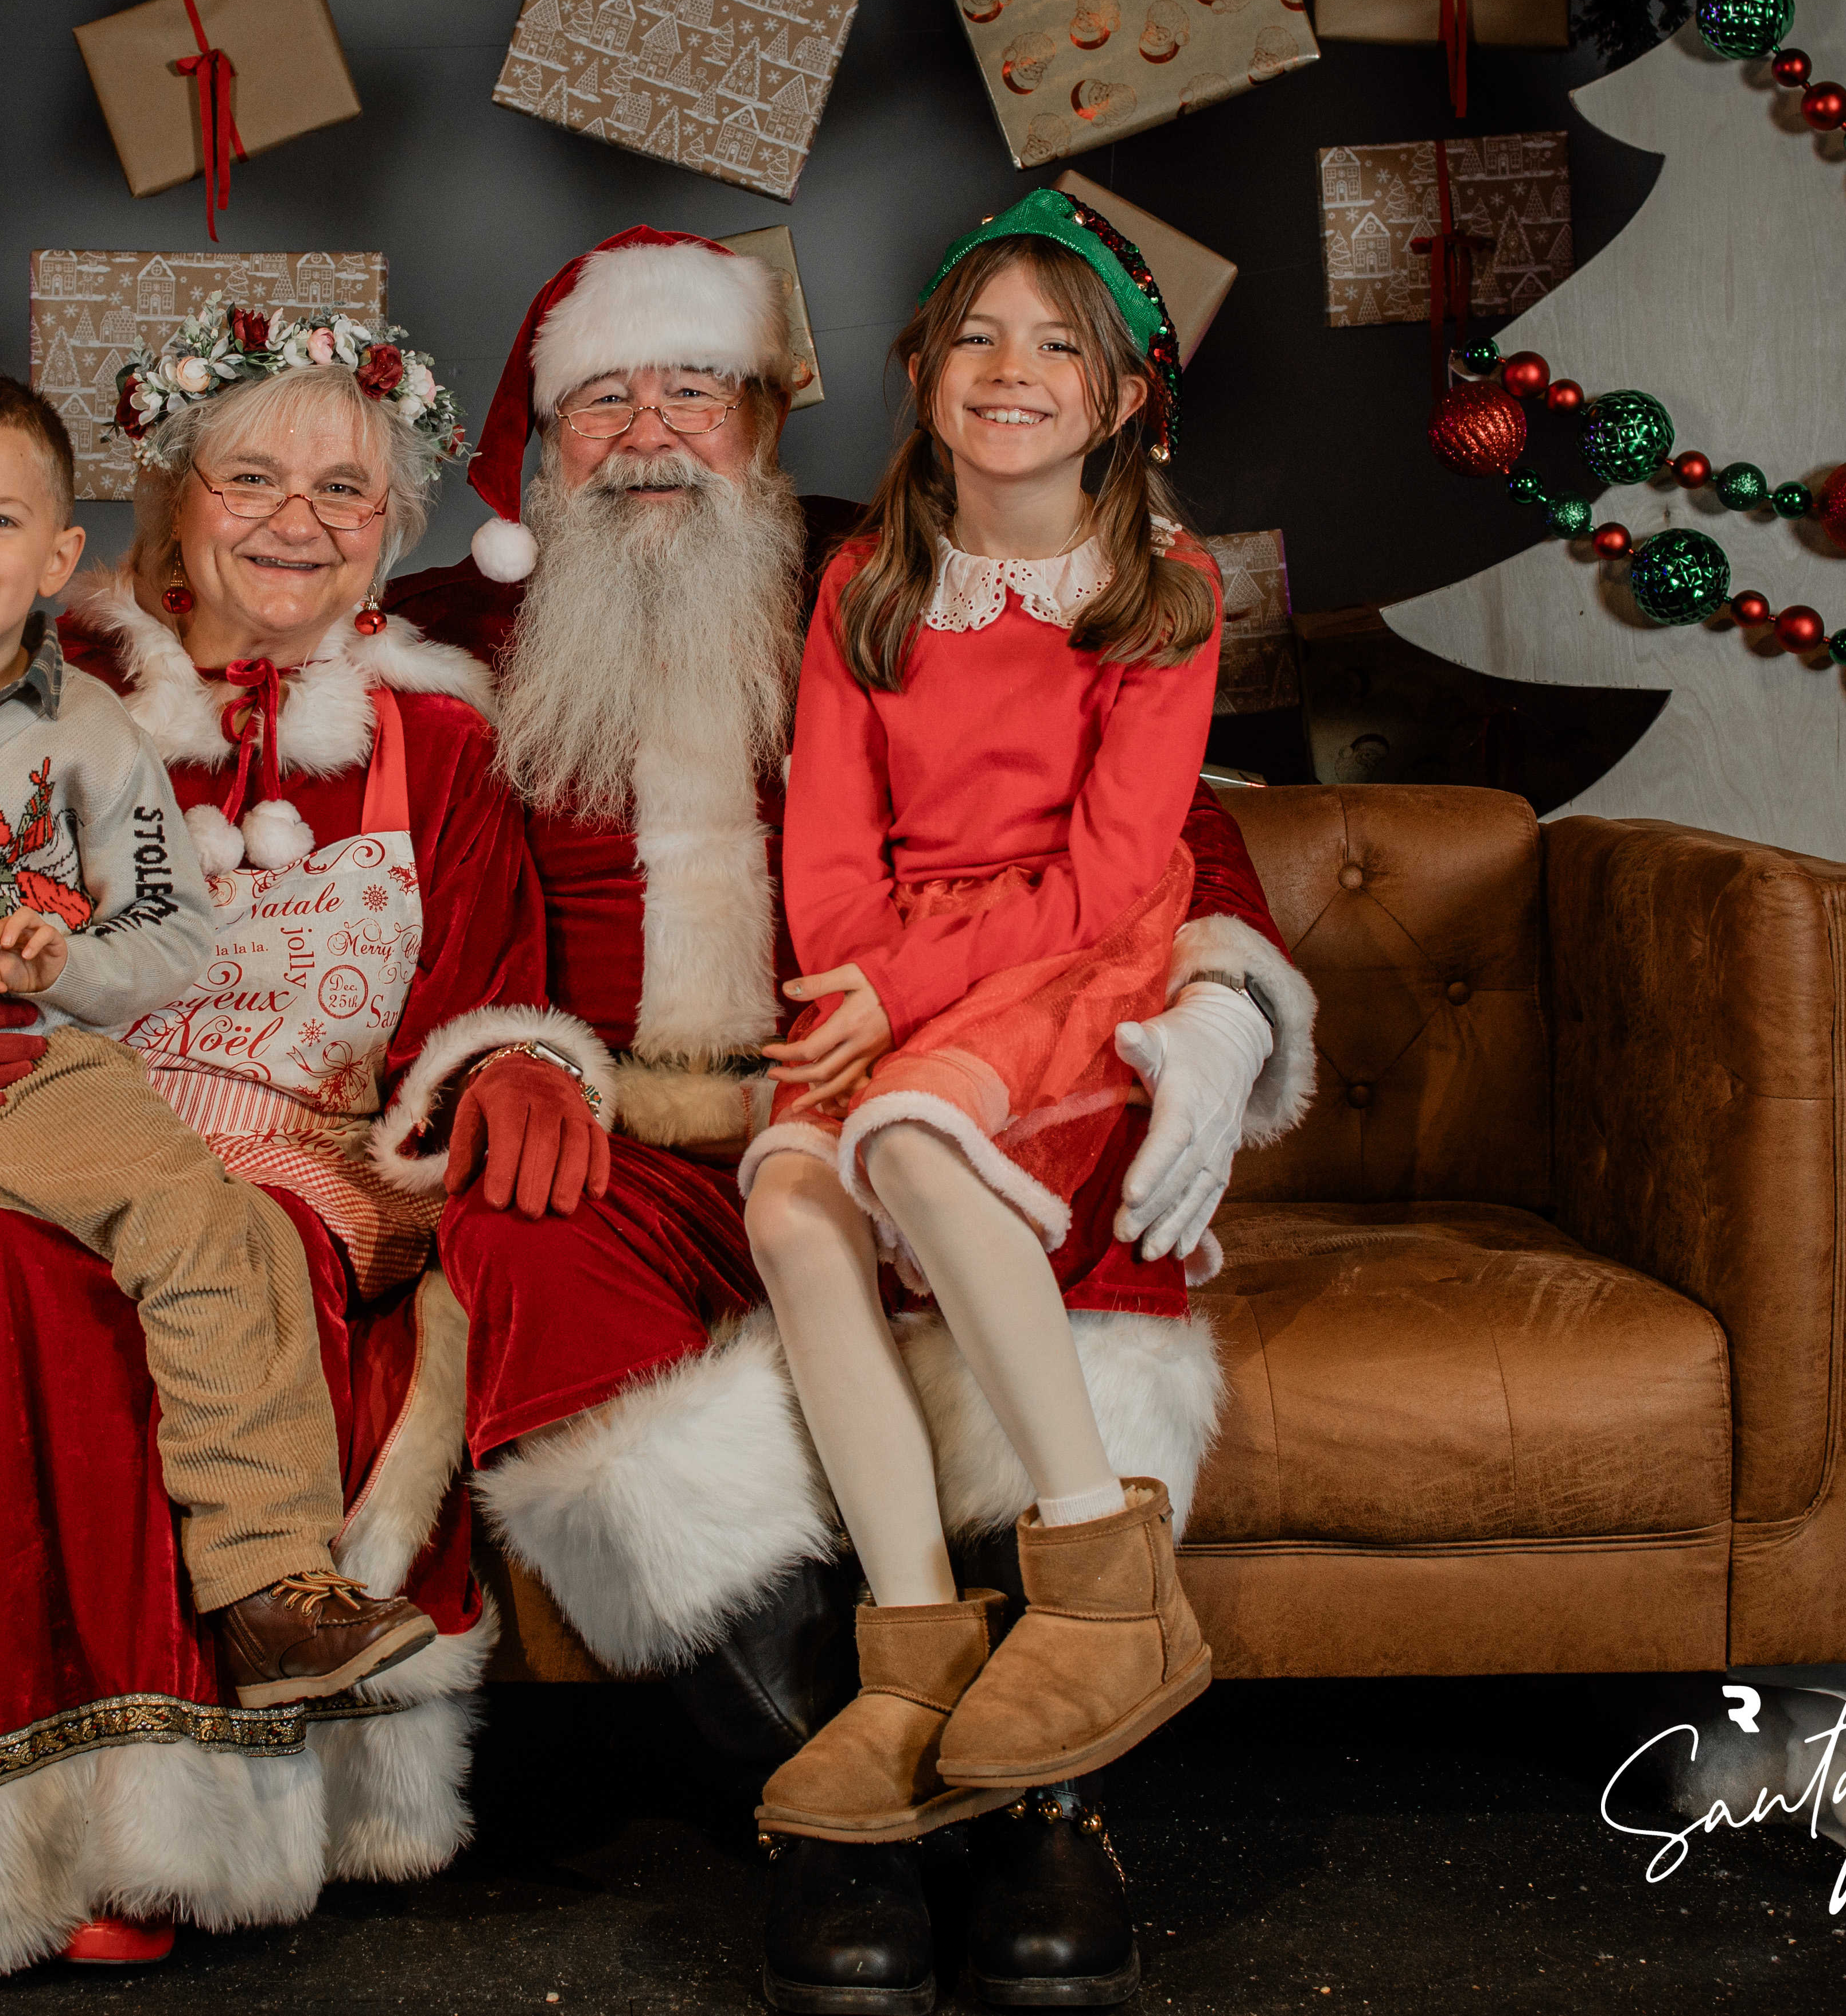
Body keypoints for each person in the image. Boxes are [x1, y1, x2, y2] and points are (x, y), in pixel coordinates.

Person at [386, 220, 1318, 2009]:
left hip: (921, 1065)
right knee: (531, 1255)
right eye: (602, 401)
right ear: (538, 439)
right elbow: (375, 843)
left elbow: (1147, 817)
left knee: (1014, 1236)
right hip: (634, 1138)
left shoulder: (886, 567)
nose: (650, 433)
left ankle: (1040, 1798)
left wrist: (1218, 1001)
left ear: (764, 418)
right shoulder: (453, 638)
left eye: (695, 389)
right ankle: (846, 1804)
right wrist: (498, 1047)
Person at [0, 313, 605, 1986]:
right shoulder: (37, 679)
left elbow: (485, 989)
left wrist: (518, 1060)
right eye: (253, 479)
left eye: (344, 490)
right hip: (19, 1109)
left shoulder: (448, 747)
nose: (298, 520)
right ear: (172, 503)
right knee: (1, 1262)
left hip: (302, 1155)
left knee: (193, 1258)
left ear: (391, 525)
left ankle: (159, 1821)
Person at [741, 193, 1225, 1909]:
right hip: (880, 969)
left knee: (906, 1142)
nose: (1010, 369)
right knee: (791, 1207)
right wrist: (862, 984)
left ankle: (1104, 1575)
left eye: (1056, 346)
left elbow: (1106, 876)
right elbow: (824, 851)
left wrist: (911, 992)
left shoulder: (1165, 597)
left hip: (1066, 957)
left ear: (1120, 398)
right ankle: (914, 1652)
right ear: (922, 372)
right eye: (976, 337)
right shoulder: (866, 585)